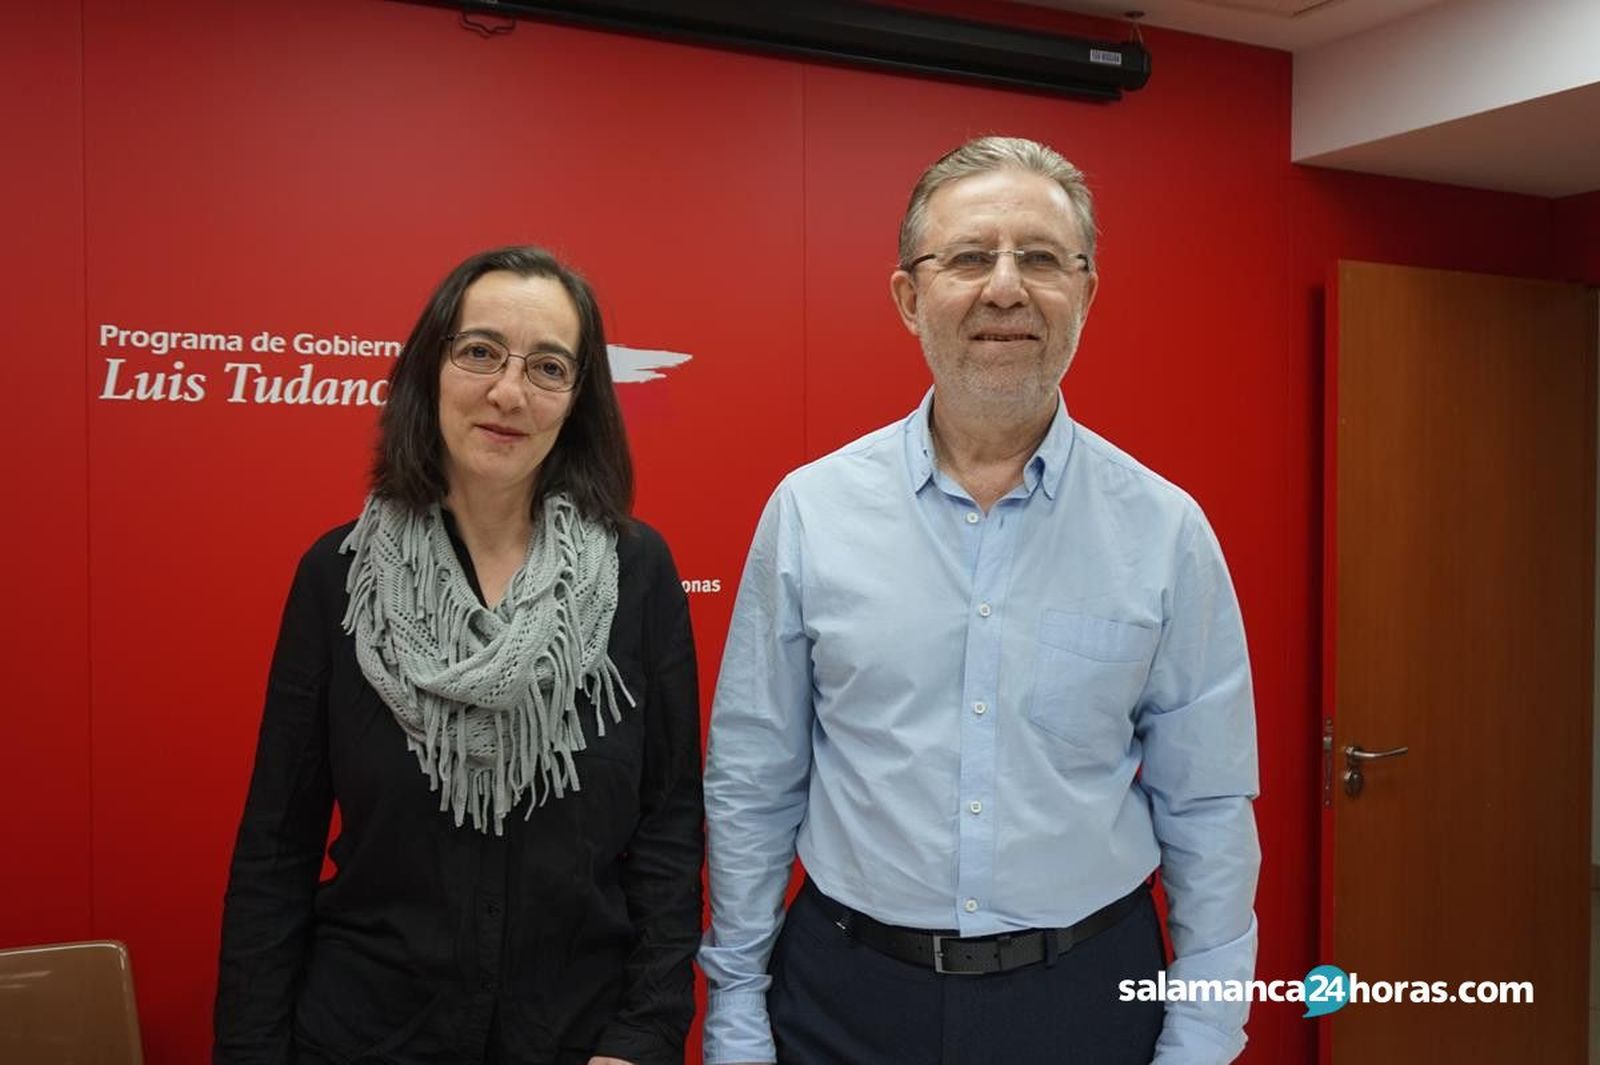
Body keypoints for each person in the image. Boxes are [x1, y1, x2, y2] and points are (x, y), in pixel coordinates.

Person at [700, 137, 1259, 1064]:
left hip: (1086, 998)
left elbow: (1206, 806)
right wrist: (736, 1016)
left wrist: (1203, 1032)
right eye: (968, 257)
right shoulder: (812, 510)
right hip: (844, 999)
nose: (1005, 287)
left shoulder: (1165, 530)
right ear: (909, 297)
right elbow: (755, 781)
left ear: (1086, 292)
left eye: (1040, 258)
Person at [215, 246, 703, 1065]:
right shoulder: (338, 579)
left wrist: (644, 1034)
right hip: (366, 1036)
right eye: (480, 351)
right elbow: (276, 848)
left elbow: (668, 827)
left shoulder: (637, 573)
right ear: (429, 368)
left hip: (577, 1038)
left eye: (548, 366)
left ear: (578, 398)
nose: (509, 392)